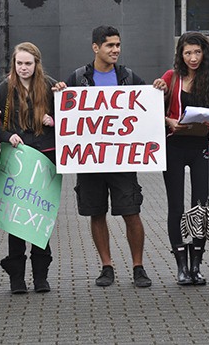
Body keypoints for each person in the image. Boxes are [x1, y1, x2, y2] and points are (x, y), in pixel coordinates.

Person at [54, 25, 162, 288]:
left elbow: (146, 111)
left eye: (118, 45)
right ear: (95, 48)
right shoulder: (78, 78)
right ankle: (107, 267)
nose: (115, 50)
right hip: (90, 160)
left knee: (131, 212)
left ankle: (138, 267)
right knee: (96, 212)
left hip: (122, 160)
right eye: (109, 46)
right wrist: (59, 94)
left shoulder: (129, 77)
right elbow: (65, 116)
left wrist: (158, 89)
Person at [153, 32, 209, 285]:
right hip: (174, 145)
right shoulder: (171, 77)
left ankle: (196, 264)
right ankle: (181, 266)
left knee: (201, 206)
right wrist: (167, 119)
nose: (193, 58)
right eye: (187, 53)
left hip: (201, 145)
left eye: (197, 52)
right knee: (175, 207)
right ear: (180, 54)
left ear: (204, 53)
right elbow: (153, 108)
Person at [0, 42, 56, 294]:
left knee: (40, 220)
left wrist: (54, 120)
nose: (23, 68)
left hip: (45, 159)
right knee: (16, 222)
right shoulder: (4, 88)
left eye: (28, 63)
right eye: (19, 63)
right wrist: (5, 134)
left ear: (37, 64)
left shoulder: (49, 86)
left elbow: (71, 118)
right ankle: (17, 279)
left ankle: (41, 277)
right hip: (16, 161)